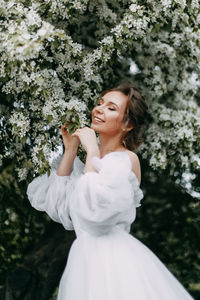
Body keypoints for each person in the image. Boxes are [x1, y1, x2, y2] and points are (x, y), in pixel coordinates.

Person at [27, 84, 194, 300]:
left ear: (128, 124)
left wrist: (92, 151)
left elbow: (94, 210)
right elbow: (56, 204)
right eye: (100, 103)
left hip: (113, 260)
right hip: (83, 259)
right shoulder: (88, 164)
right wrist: (70, 150)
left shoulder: (125, 160)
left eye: (111, 108)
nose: (99, 109)